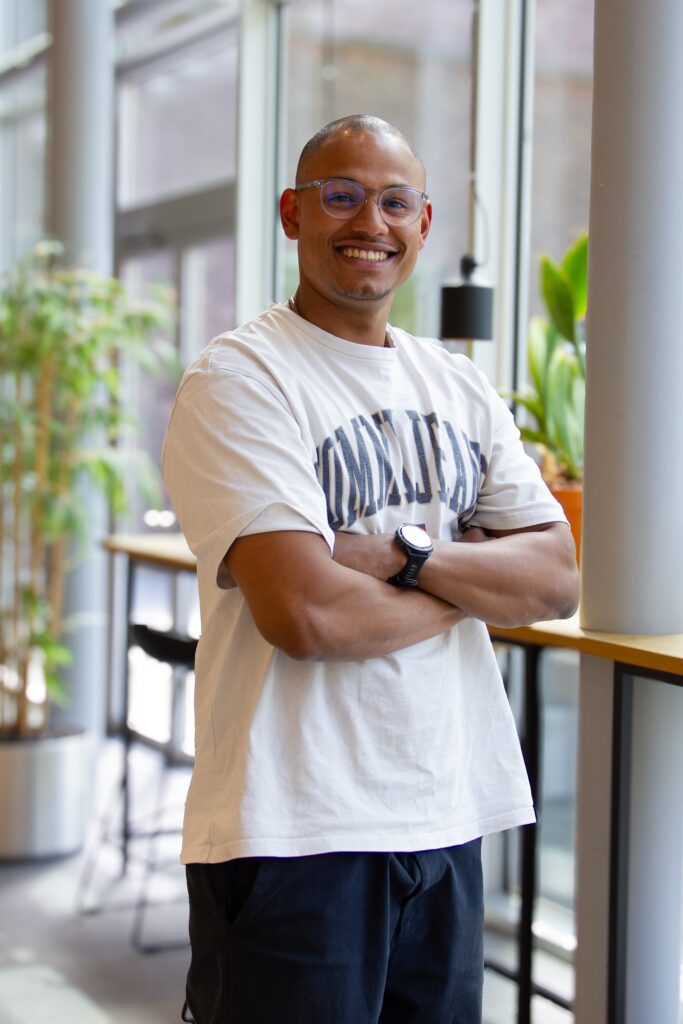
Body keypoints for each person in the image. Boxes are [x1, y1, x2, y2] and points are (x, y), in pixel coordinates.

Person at [162, 114, 579, 1024]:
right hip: (291, 831)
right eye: (341, 196)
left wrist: (401, 557)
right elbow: (307, 617)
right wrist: (472, 580)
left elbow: (553, 578)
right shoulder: (240, 379)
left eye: (394, 202)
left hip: (448, 815)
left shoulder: (459, 386)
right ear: (292, 213)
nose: (369, 222)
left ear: (422, 225)